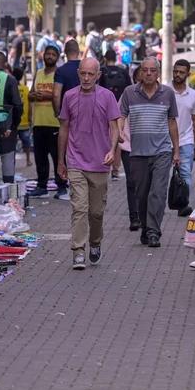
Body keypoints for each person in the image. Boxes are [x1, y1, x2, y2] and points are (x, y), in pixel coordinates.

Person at [57, 58, 121, 270]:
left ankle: (95, 242)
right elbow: (64, 128)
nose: (86, 78)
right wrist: (61, 161)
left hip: (100, 162)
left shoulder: (108, 96)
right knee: (79, 208)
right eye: (83, 74)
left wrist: (112, 151)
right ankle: (78, 251)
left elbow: (114, 128)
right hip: (75, 160)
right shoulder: (69, 96)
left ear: (98, 75)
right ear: (78, 73)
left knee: (96, 212)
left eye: (90, 74)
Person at [120, 57, 179, 248]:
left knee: (158, 193)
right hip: (137, 153)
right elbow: (121, 116)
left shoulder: (168, 93)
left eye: (152, 70)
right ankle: (146, 228)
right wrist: (119, 134)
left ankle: (154, 232)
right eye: (144, 70)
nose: (148, 73)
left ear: (158, 73)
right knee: (142, 194)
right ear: (139, 73)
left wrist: (176, 150)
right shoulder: (130, 93)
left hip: (162, 151)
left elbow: (172, 122)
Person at [29, 44, 67, 200]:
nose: (49, 57)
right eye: (47, 54)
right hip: (39, 122)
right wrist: (34, 95)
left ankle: (62, 186)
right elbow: (30, 94)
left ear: (57, 57)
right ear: (43, 56)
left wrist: (46, 94)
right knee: (40, 157)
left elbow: (61, 95)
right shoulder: (38, 73)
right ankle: (41, 186)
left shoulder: (60, 74)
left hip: (55, 122)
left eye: (53, 54)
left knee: (58, 157)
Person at [0, 51, 25, 189]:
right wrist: (14, 125)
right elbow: (18, 105)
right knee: (7, 158)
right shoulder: (10, 79)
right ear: (5, 64)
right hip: (5, 126)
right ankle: (8, 193)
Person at [170, 59, 195, 208]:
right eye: (176, 71)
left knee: (186, 174)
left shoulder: (193, 95)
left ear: (188, 74)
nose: (177, 74)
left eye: (181, 72)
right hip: (164, 140)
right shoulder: (165, 91)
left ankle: (183, 204)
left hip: (186, 140)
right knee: (161, 176)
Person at [53, 39, 82, 113]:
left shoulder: (60, 71)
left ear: (65, 52)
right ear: (78, 51)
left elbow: (56, 94)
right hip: (86, 110)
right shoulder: (87, 68)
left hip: (67, 112)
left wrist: (57, 113)